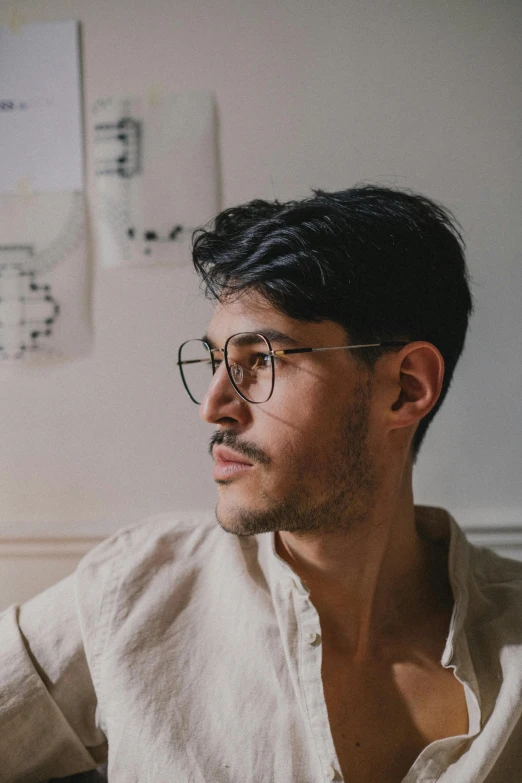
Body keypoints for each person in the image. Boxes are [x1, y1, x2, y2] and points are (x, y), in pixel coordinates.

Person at [1, 185, 521, 783]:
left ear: (406, 388)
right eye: (215, 360)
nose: (214, 405)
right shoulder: (132, 591)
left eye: (262, 359)